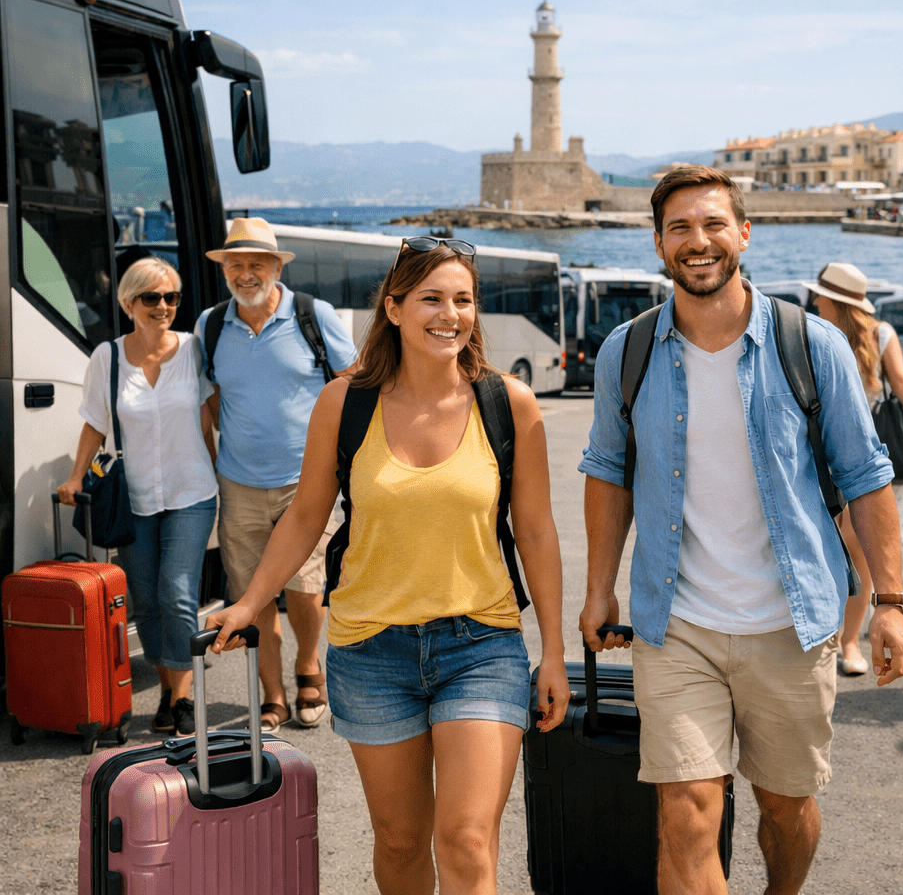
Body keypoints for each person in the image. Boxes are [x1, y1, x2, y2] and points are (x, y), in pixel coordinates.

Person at [578, 165, 903, 895]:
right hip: (677, 625)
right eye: (679, 228)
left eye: (713, 225)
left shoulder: (812, 345)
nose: (697, 241)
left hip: (791, 623)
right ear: (659, 243)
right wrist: (598, 587)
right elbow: (607, 471)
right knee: (687, 813)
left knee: (786, 810)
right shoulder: (627, 352)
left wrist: (890, 602)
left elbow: (866, 475)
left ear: (744, 234)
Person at [207, 236, 569, 893]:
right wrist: (250, 602)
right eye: (431, 299)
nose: (450, 314)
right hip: (370, 650)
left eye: (463, 300)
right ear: (394, 309)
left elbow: (537, 532)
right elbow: (305, 516)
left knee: (466, 839)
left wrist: (553, 652)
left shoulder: (508, 402)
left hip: (481, 644)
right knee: (400, 843)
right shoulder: (344, 403)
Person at [196, 217, 358, 733]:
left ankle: (309, 665)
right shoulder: (210, 325)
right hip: (238, 483)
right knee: (251, 595)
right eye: (236, 265)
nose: (246, 274)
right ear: (225, 270)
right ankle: (273, 695)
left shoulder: (314, 315)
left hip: (307, 481)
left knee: (307, 587)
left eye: (256, 264)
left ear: (276, 268)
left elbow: (354, 383)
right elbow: (211, 398)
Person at [58, 257, 218, 737]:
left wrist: (229, 470)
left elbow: (211, 414)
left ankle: (184, 697)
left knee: (177, 592)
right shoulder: (107, 358)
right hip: (134, 498)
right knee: (145, 600)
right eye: (152, 297)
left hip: (192, 491)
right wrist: (75, 477)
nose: (163, 306)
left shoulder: (193, 350)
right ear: (129, 303)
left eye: (171, 297)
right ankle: (167, 688)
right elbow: (95, 422)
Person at [808, 262, 903, 676]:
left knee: (857, 545)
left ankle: (848, 640)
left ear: (837, 302)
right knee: (818, 542)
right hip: (818, 451)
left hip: (864, 452)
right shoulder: (808, 333)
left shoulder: (880, 334)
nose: (815, 300)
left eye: (821, 295)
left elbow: (902, 379)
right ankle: (822, 633)